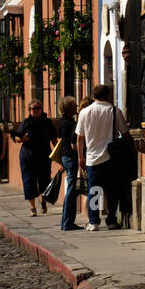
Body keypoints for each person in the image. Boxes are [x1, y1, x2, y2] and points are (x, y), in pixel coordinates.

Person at [75, 84, 129, 232]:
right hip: (111, 156)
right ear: (108, 96)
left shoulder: (85, 112)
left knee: (94, 190)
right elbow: (124, 133)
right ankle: (111, 220)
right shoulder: (114, 111)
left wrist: (81, 156)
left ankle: (93, 221)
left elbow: (80, 138)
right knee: (112, 190)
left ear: (93, 96)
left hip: (92, 158)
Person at [14, 99, 57, 217]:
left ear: (42, 109)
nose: (36, 110)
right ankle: (32, 207)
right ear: (29, 110)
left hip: (44, 156)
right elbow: (17, 138)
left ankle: (43, 199)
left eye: (38, 108)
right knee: (29, 181)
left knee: (45, 180)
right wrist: (22, 139)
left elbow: (54, 139)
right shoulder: (26, 123)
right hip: (28, 157)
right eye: (34, 108)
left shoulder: (47, 122)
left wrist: (58, 152)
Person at [57, 96, 80, 232]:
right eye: (73, 105)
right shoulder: (71, 124)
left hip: (65, 157)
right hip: (71, 157)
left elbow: (60, 140)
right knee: (71, 190)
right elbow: (72, 142)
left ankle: (65, 222)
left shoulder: (61, 122)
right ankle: (67, 222)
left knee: (70, 190)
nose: (76, 107)